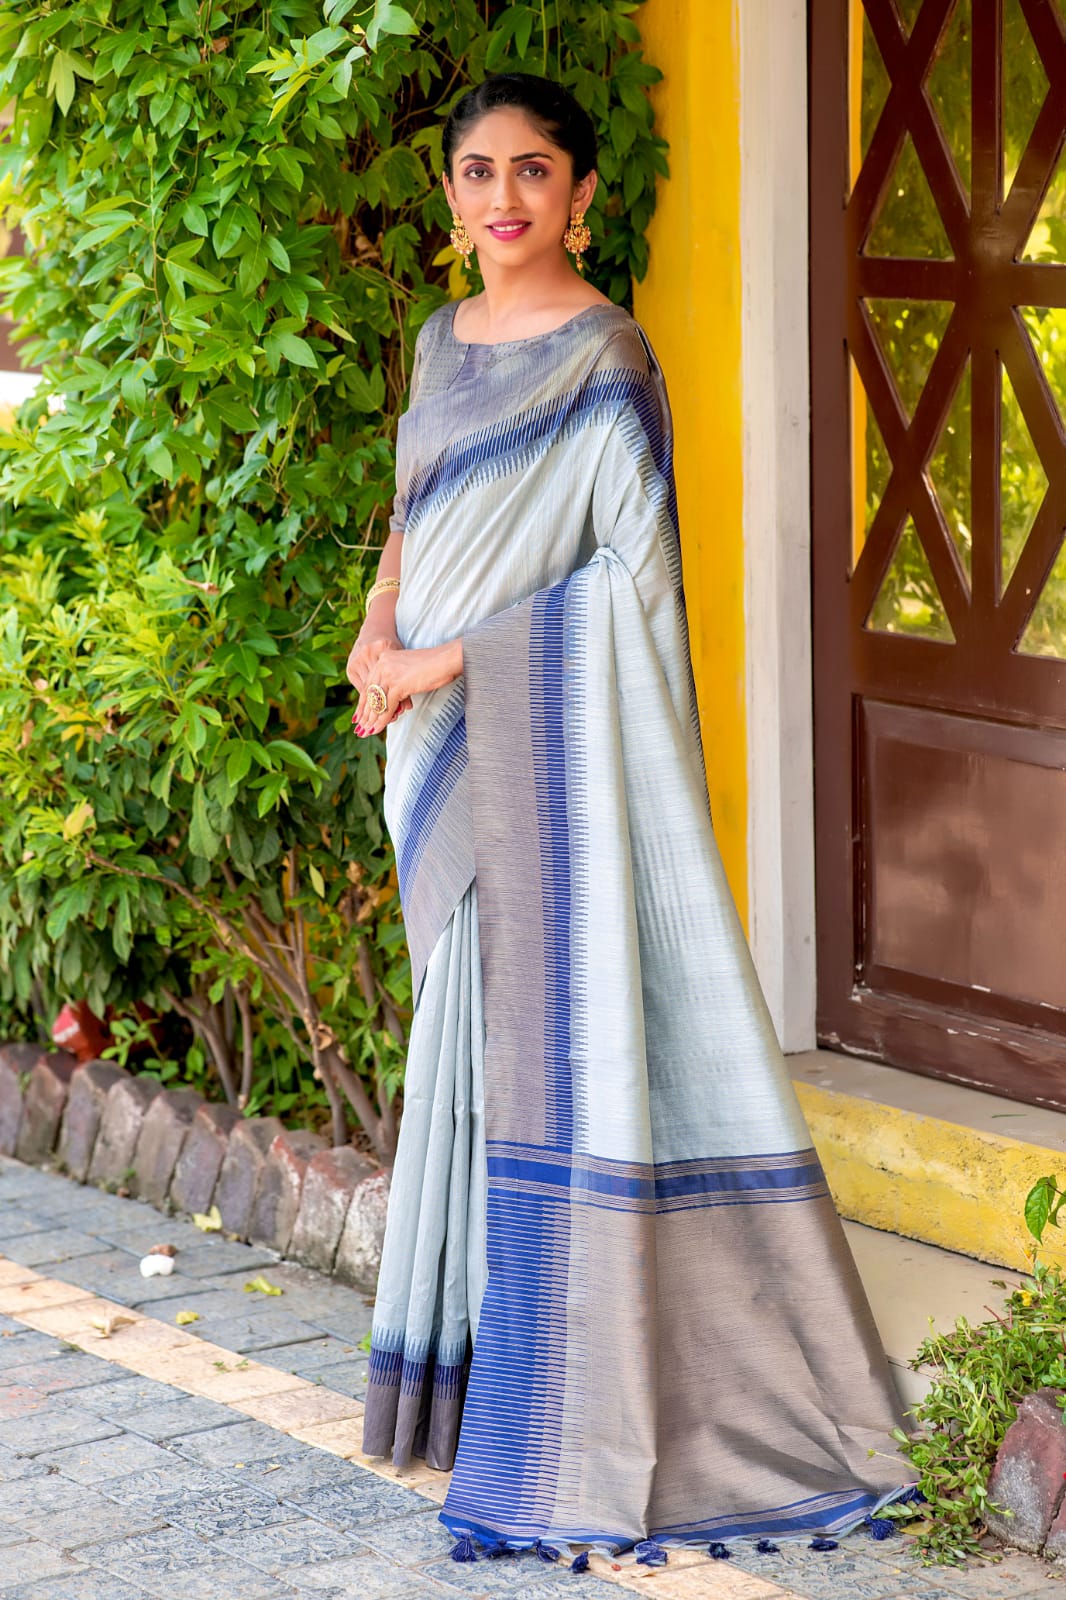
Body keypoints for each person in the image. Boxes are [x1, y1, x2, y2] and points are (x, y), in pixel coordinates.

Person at [344, 70, 912, 1565]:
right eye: (478, 172)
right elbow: (411, 505)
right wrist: (373, 634)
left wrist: (443, 661)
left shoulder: (605, 355)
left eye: (535, 171)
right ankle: (463, 1376)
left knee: (530, 1045)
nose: (505, 196)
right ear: (450, 196)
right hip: (434, 740)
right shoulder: (434, 338)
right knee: (462, 1049)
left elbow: (620, 585)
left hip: (530, 739)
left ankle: (565, 1390)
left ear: (580, 194)